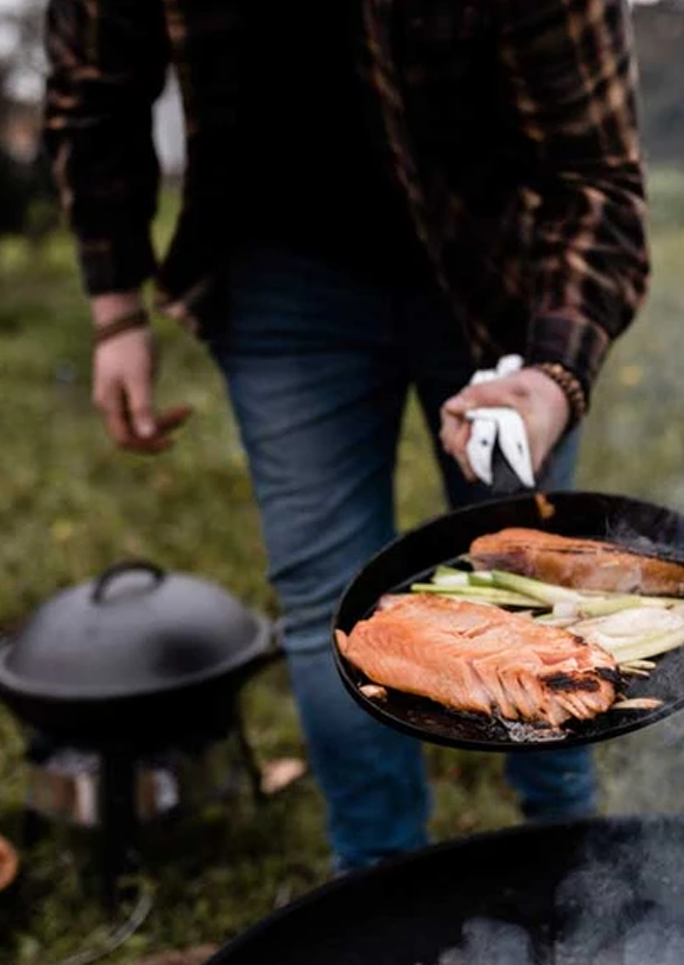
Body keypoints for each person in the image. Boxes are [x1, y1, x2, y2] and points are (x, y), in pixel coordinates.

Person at [42, 0, 650, 872]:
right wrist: (115, 313)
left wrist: (552, 375)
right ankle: (378, 884)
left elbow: (596, 175)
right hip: (280, 275)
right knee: (331, 602)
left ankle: (561, 856)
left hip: (492, 265)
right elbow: (95, 89)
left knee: (531, 574)